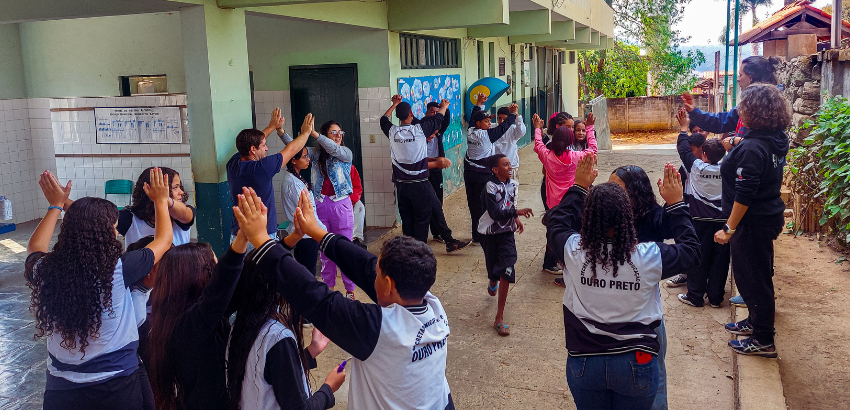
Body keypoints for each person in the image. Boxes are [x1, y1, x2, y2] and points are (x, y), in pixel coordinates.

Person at [231, 188, 455, 409]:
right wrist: (317, 232)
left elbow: (315, 296)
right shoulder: (431, 303)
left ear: (388, 284)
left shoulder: (379, 329)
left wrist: (261, 239)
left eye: (378, 273)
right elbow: (364, 265)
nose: (371, 274)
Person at [547, 157, 700, 410]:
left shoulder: (573, 252)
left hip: (585, 361)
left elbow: (556, 224)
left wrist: (578, 187)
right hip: (636, 360)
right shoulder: (648, 256)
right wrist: (676, 204)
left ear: (588, 214)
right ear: (628, 214)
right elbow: (692, 252)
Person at [26, 169, 173, 409]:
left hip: (61, 391)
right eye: (113, 227)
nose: (116, 232)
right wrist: (159, 200)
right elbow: (164, 240)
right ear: (101, 234)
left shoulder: (45, 269)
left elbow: (35, 247)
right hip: (115, 386)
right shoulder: (118, 269)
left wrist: (55, 206)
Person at [714, 84, 790, 358]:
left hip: (751, 221)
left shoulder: (753, 147)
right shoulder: (775, 139)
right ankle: (755, 324)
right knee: (757, 277)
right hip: (766, 215)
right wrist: (738, 143)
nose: (739, 111)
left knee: (753, 282)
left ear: (755, 111)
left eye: (743, 106)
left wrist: (729, 228)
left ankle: (763, 340)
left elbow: (745, 194)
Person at [225, 245, 344, 410]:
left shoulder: (237, 325)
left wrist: (311, 351)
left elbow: (272, 373)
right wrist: (328, 389)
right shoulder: (277, 338)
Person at [381, 95, 467, 252]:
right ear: (412, 114)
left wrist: (394, 104)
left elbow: (383, 119)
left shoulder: (392, 132)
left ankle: (449, 241)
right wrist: (445, 105)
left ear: (398, 116)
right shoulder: (419, 130)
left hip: (401, 185)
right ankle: (416, 253)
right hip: (419, 183)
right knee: (421, 219)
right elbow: (439, 118)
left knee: (417, 214)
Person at [227, 109, 314, 244]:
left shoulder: (232, 165)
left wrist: (272, 126)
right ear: (253, 150)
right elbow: (291, 150)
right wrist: (306, 133)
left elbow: (251, 143)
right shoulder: (262, 168)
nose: (266, 148)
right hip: (262, 236)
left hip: (238, 236)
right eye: (264, 145)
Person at [673, 109, 731, 308]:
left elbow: (683, 150)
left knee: (699, 257)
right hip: (723, 222)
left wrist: (683, 128)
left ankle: (695, 296)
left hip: (699, 221)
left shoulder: (697, 168)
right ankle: (715, 298)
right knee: (720, 261)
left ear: (703, 154)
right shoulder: (727, 169)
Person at [479, 154, 533, 336]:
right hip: (489, 233)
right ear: (495, 170)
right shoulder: (490, 186)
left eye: (510, 164)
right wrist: (516, 212)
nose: (509, 167)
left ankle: (499, 317)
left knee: (507, 268)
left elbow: (510, 203)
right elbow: (494, 213)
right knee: (493, 268)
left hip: (507, 234)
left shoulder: (513, 183)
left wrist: (515, 218)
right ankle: (492, 279)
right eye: (505, 165)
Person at [415, 103, 472, 250]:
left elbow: (445, 120)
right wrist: (435, 161)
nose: (435, 114)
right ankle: (430, 240)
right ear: (426, 113)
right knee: (425, 206)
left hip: (435, 169)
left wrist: (446, 107)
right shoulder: (419, 129)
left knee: (437, 201)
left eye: (437, 112)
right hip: (421, 172)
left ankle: (438, 234)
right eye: (432, 112)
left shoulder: (438, 128)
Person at [682, 56, 780, 141]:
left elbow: (757, 145)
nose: (738, 79)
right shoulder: (750, 105)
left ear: (751, 78)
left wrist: (734, 142)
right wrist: (693, 111)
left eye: (741, 75)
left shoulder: (763, 108)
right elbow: (721, 121)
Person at [464, 93, 517, 244]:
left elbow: (474, 117)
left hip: (469, 173)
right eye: (486, 121)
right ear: (479, 124)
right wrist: (512, 114)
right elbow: (504, 127)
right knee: (484, 204)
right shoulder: (486, 135)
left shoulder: (470, 131)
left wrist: (479, 103)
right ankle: (484, 233)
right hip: (482, 175)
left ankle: (476, 235)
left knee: (472, 204)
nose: (489, 123)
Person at [665, 123, 707, 288]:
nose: (687, 153)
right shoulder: (687, 165)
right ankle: (684, 274)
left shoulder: (709, 166)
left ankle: (699, 279)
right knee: (684, 236)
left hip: (702, 209)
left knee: (698, 242)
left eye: (691, 149)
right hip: (688, 204)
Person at [533, 112, 597, 210]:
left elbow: (538, 144)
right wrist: (589, 128)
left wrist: (537, 128)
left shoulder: (547, 155)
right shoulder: (576, 156)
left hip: (553, 204)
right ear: (571, 139)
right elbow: (593, 148)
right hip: (571, 200)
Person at [280, 147, 327, 276]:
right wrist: (322, 231)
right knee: (308, 274)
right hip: (305, 235)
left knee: (306, 272)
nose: (308, 159)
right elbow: (306, 213)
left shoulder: (296, 177)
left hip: (305, 233)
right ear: (294, 160)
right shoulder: (293, 183)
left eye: (308, 156)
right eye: (304, 157)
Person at [120, 167, 194, 247]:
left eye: (180, 186)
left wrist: (162, 199)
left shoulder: (183, 212)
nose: (181, 192)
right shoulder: (130, 218)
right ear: (150, 191)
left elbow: (184, 214)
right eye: (175, 188)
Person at [492, 105, 527, 190]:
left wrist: (516, 114)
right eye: (499, 118)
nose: (502, 121)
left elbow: (522, 131)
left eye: (505, 119)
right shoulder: (493, 128)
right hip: (496, 168)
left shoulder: (513, 130)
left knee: (512, 193)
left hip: (511, 166)